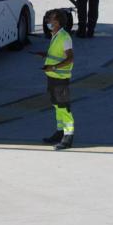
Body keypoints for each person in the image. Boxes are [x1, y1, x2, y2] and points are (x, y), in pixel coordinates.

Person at [41, 8, 74, 149]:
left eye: (52, 19)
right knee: (57, 106)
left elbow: (70, 59)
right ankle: (60, 132)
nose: (49, 22)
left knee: (64, 107)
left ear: (59, 22)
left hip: (60, 78)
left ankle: (68, 136)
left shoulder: (64, 37)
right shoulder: (55, 35)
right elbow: (58, 55)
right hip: (52, 78)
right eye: (48, 19)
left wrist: (53, 67)